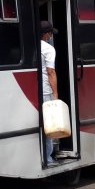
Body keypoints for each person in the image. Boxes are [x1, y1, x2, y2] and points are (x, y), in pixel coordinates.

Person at [40, 20, 59, 166]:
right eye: (51, 33)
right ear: (47, 34)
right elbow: (51, 72)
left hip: (34, 90)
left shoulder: (31, 46)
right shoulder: (48, 49)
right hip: (46, 91)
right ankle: (48, 157)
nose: (51, 36)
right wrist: (56, 94)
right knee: (49, 123)